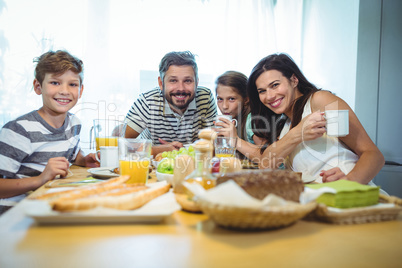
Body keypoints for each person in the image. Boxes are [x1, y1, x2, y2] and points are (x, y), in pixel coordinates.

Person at [216, 53, 384, 184]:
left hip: (349, 199)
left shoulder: (320, 101)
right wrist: (297, 133)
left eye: (275, 85)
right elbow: (266, 162)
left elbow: (372, 154)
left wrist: (349, 181)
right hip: (319, 203)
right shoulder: (285, 125)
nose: (270, 96)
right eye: (262, 91)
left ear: (294, 80)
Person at [0, 50, 99, 213]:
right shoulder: (18, 130)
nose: (64, 91)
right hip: (14, 217)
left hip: (47, 209)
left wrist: (85, 160)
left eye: (72, 84)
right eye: (55, 82)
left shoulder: (74, 124)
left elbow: (72, 155)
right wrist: (40, 179)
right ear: (38, 87)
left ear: (80, 91)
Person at [125, 51, 217, 155]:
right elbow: (121, 145)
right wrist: (159, 150)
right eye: (173, 81)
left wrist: (181, 151)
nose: (181, 88)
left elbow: (216, 145)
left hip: (192, 167)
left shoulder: (205, 98)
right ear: (161, 83)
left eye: (187, 81)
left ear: (197, 83)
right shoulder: (147, 101)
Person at [214, 70, 265, 146]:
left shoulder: (251, 120)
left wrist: (234, 139)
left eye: (231, 99)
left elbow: (264, 153)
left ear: (246, 99)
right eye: (220, 99)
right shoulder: (232, 119)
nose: (224, 106)